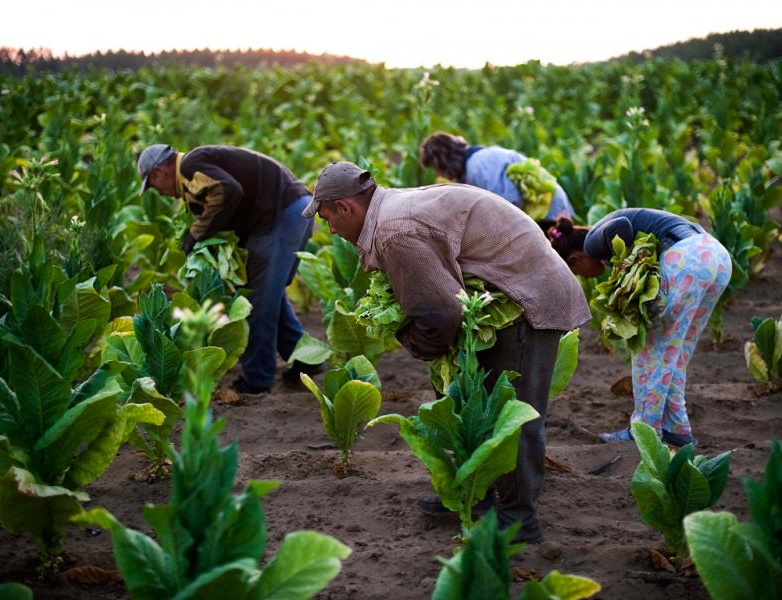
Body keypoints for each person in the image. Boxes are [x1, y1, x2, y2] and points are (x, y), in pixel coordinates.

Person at [303, 161, 591, 542]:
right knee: (474, 402)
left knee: (511, 416)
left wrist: (415, 342)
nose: (331, 230)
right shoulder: (390, 208)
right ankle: (481, 495)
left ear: (346, 207)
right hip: (501, 293)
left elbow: (439, 313)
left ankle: (518, 521)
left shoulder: (394, 230)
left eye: (327, 219)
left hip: (528, 296)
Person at [137, 143, 323, 394]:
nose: (157, 192)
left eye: (152, 185)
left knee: (256, 300)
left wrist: (196, 233)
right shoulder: (193, 177)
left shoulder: (192, 165)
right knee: (269, 294)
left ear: (160, 171)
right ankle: (305, 359)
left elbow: (228, 190)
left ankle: (257, 379)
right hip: (292, 209)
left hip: (281, 214)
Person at [546, 209, 732, 446]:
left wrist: (624, 273)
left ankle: (644, 431)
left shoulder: (593, 243)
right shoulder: (599, 236)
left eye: (576, 273)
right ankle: (677, 429)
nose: (586, 277)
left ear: (575, 260)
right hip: (714, 256)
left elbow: (621, 226)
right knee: (676, 352)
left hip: (686, 259)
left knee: (649, 350)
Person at [419, 131, 574, 219]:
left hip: (550, 211)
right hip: (544, 210)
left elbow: (509, 203)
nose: (438, 173)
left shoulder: (478, 165)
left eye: (436, 168)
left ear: (443, 161)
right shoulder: (474, 164)